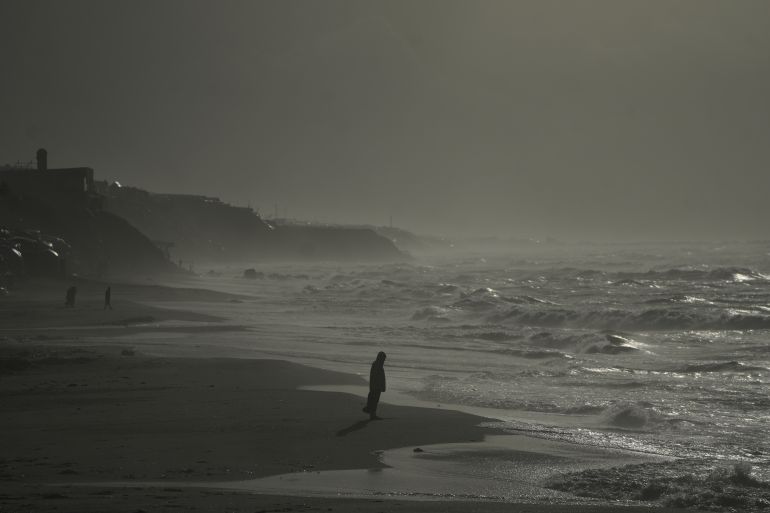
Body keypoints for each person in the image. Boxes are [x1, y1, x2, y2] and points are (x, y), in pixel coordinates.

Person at [362, 351, 386, 420]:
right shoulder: (377, 365)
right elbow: (376, 377)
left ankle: (372, 414)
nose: (384, 360)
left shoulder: (377, 364)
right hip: (376, 386)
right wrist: (380, 386)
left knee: (374, 400)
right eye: (383, 358)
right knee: (374, 400)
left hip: (376, 386)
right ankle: (372, 415)